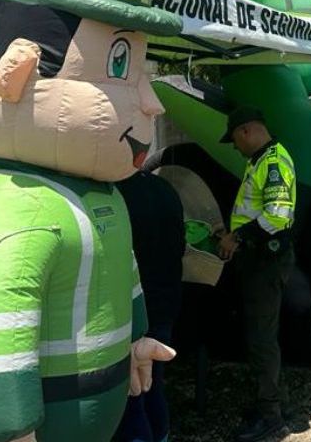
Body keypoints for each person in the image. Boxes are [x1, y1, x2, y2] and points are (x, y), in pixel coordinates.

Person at [216, 106, 297, 442]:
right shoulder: (262, 160)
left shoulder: (273, 162)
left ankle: (271, 417)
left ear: (247, 131)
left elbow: (277, 215)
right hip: (259, 260)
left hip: (266, 261)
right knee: (263, 334)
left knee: (262, 339)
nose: (235, 147)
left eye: (235, 139)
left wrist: (239, 238)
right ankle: (276, 401)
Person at [113, 170, 187, 442]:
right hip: (166, 300)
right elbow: (180, 245)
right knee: (153, 383)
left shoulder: (113, 194)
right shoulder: (165, 188)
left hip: (133, 307)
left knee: (131, 396)